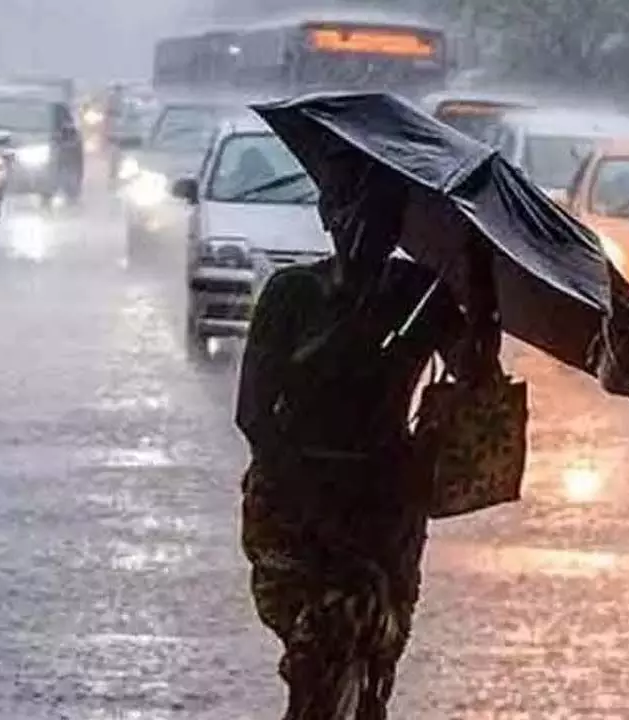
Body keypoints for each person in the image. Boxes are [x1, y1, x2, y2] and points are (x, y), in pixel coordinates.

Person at [236, 159, 496, 719]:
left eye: (381, 216)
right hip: (293, 503)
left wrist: (480, 290)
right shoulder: (292, 295)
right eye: (351, 211)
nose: (364, 229)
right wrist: (311, 505)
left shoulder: (419, 294)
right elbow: (253, 413)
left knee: (377, 656)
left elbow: (475, 373)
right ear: (327, 215)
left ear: (397, 225)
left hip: (384, 504)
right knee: (316, 650)